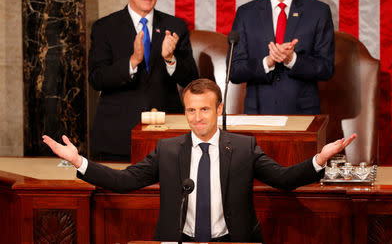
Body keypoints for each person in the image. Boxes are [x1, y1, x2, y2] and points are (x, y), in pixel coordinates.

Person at [43, 78, 356, 242]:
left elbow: (284, 179)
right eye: (191, 110)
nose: (197, 117)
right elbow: (125, 181)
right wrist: (79, 161)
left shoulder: (244, 148)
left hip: (232, 242)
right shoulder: (168, 150)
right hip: (180, 241)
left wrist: (319, 158)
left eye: (204, 109)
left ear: (219, 110)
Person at [88, 0, 198, 160]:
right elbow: (96, 79)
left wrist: (170, 59)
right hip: (118, 135)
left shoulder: (175, 26)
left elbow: (192, 78)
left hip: (167, 133)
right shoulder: (105, 27)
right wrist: (132, 61)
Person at [229, 0, 334, 115]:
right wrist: (267, 62)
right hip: (258, 113)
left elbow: (326, 68)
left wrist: (292, 59)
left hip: (303, 114)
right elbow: (234, 71)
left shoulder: (318, 12)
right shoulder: (246, 13)